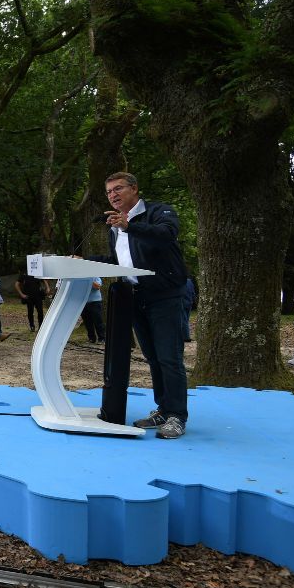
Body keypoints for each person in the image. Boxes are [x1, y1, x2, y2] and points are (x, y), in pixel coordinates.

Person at [93, 171, 189, 439]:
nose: (113, 195)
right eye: (109, 192)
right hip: (135, 297)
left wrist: (129, 225)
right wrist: (84, 259)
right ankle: (163, 408)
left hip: (166, 295)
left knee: (170, 357)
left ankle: (177, 416)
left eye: (118, 189)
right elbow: (121, 261)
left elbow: (166, 235)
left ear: (134, 189)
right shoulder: (116, 227)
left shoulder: (159, 212)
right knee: (153, 358)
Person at [81, 278, 105, 344]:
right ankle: (91, 338)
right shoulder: (79, 277)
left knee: (98, 321)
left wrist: (88, 280)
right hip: (83, 302)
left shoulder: (95, 276)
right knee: (87, 322)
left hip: (95, 301)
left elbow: (97, 286)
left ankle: (102, 338)